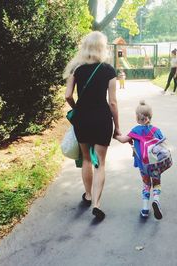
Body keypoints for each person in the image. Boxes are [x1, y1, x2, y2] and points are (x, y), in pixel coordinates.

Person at [63, 31, 120, 221]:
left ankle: (87, 195)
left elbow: (68, 95)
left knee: (86, 159)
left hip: (83, 119)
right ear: (101, 48)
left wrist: (77, 109)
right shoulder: (109, 70)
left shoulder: (77, 70)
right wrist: (117, 127)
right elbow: (112, 102)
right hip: (102, 119)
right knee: (100, 163)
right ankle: (96, 203)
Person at [114, 100, 165, 219]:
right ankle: (156, 200)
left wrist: (115, 135)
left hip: (144, 166)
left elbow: (122, 140)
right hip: (156, 164)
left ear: (137, 117)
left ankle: (145, 208)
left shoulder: (135, 131)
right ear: (150, 116)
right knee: (156, 183)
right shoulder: (156, 130)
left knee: (146, 183)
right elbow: (163, 143)